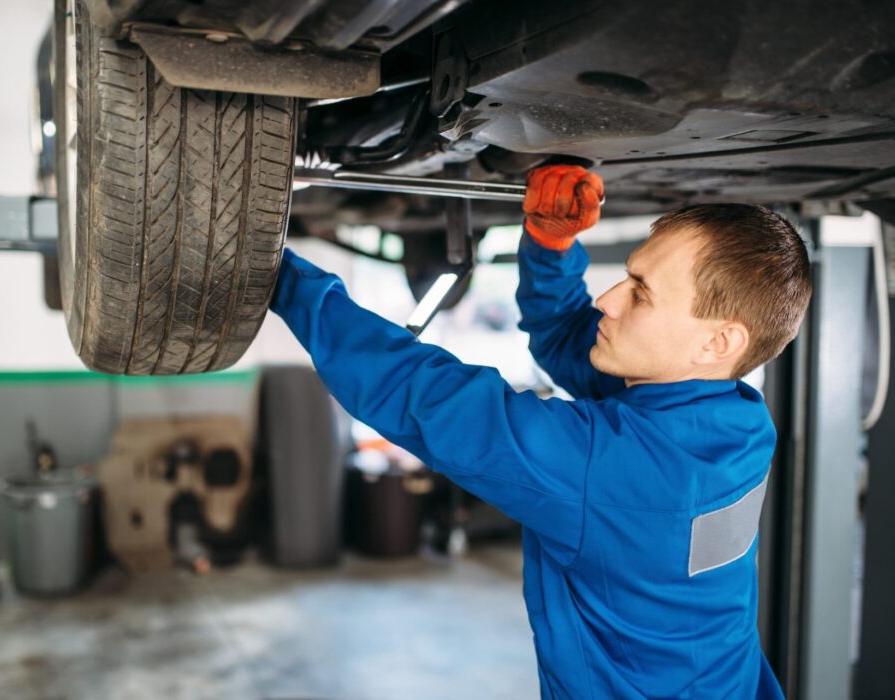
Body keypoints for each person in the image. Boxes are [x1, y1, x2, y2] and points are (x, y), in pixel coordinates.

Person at [270, 164, 811, 698]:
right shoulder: (739, 421)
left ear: (718, 342)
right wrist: (551, 247)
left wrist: (279, 277)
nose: (609, 300)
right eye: (628, 278)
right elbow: (571, 340)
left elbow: (422, 397)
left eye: (640, 293)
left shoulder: (610, 470)